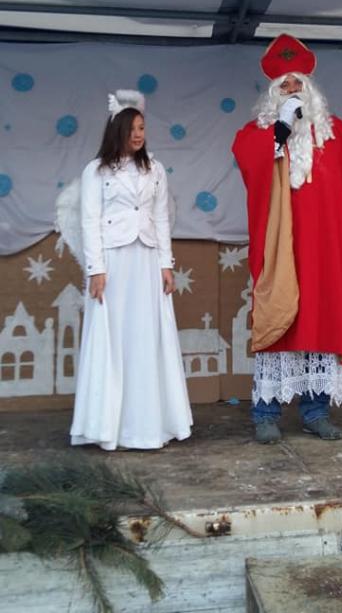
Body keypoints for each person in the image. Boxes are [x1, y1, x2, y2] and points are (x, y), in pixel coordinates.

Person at [232, 35, 342, 444]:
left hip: (326, 251)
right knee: (278, 322)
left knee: (322, 325)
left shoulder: (334, 132)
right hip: (283, 250)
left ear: (311, 88)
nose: (292, 89)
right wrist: (280, 130)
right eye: (284, 84)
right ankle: (265, 413)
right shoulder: (260, 132)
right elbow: (248, 160)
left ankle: (316, 411)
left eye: (298, 82)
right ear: (273, 93)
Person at [70, 89, 192, 451]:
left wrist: (166, 264)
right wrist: (96, 269)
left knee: (145, 335)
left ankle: (148, 425)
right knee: (114, 335)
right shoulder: (96, 171)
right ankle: (111, 426)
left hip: (147, 260)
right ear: (117, 130)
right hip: (113, 261)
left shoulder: (155, 169)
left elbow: (161, 218)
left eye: (142, 128)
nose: (138, 135)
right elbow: (89, 220)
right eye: (132, 129)